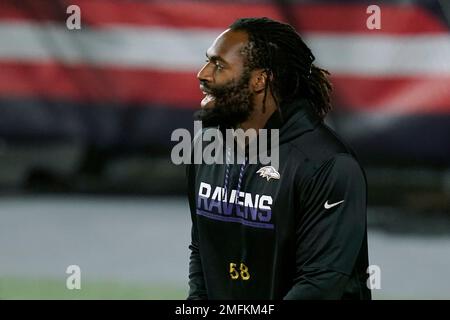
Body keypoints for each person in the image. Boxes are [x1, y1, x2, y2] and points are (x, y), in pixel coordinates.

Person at [186, 17, 371, 300]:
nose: (203, 74)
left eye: (219, 65)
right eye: (208, 61)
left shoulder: (329, 165)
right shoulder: (205, 147)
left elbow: (321, 283)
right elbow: (202, 249)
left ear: (260, 79)